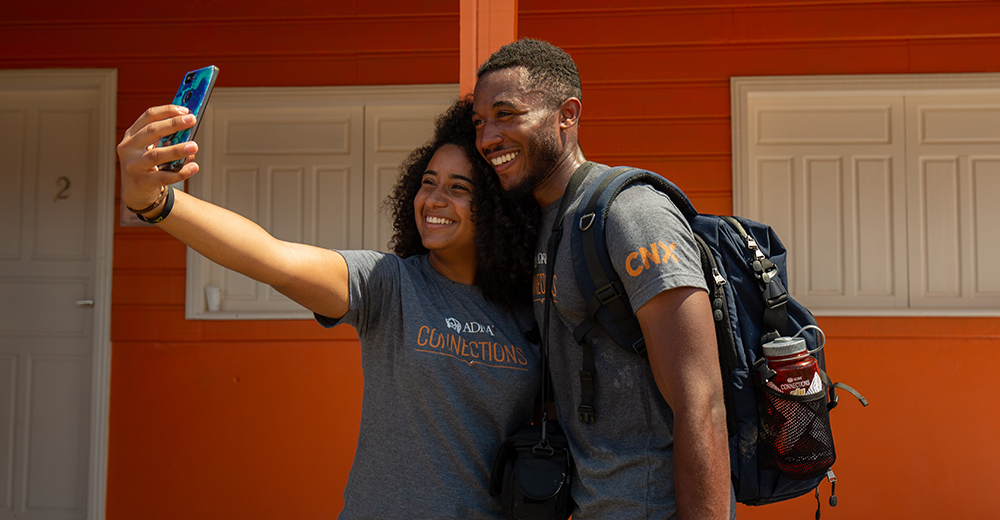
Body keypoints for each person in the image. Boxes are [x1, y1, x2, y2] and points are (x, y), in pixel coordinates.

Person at [117, 98, 543, 519]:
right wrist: (156, 203)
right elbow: (270, 257)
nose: (433, 199)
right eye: (427, 182)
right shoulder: (389, 284)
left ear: (497, 208)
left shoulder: (532, 311)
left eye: (459, 188)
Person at [471, 39, 733, 520]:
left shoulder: (631, 215)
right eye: (480, 122)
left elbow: (702, 401)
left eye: (506, 114)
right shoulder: (542, 221)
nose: (488, 136)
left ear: (566, 115)